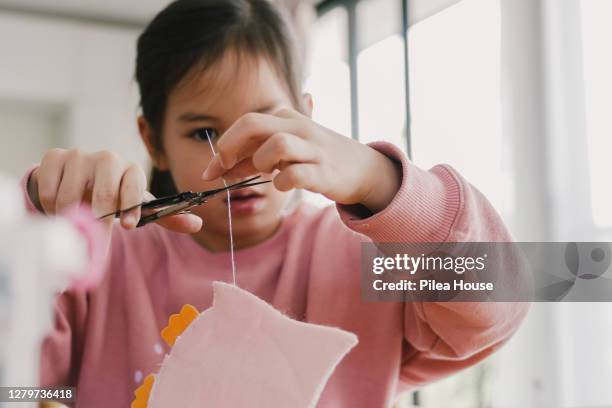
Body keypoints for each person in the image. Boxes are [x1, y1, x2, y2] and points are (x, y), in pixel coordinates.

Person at [21, 0, 529, 406]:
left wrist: (381, 181)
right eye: (204, 132)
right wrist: (28, 232)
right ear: (152, 141)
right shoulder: (94, 264)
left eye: (266, 121)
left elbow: (503, 299)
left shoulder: (358, 261)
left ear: (307, 117)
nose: (238, 161)